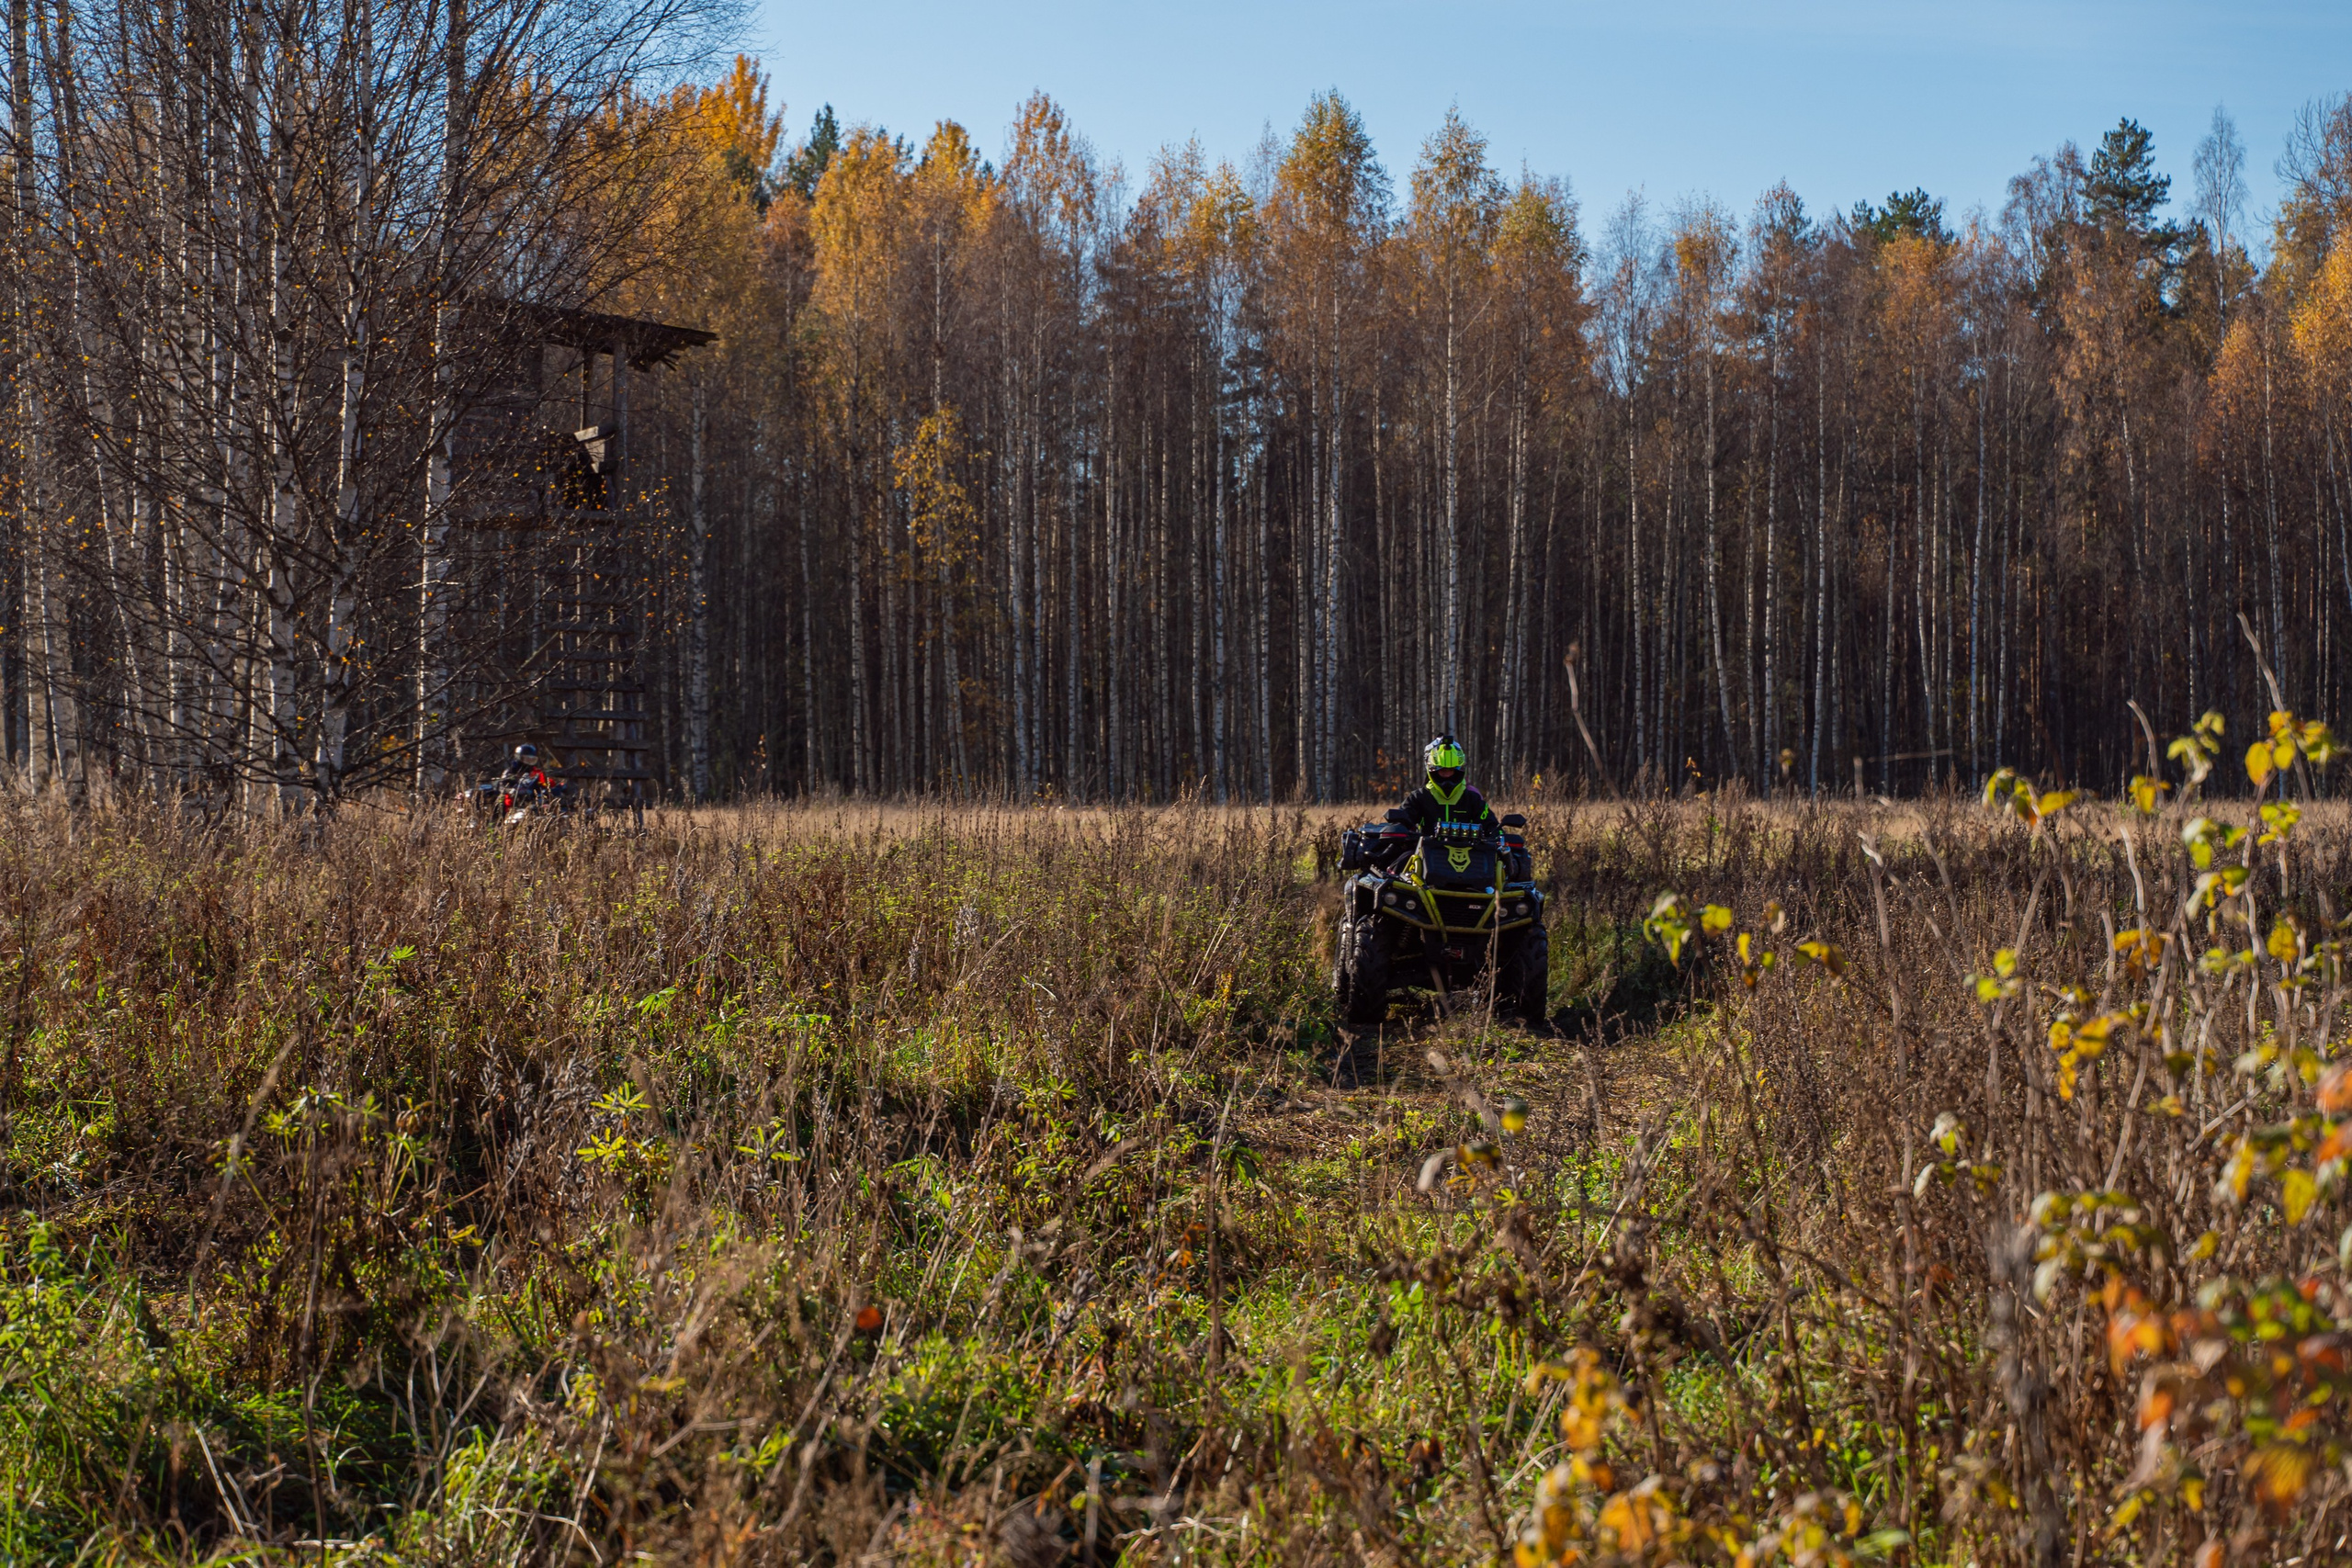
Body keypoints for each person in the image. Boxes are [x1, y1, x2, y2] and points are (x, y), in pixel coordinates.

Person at [1390, 734, 1498, 842]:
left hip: (1470, 856)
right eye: (1443, 771)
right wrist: (1398, 828)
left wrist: (1498, 835)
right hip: (1424, 855)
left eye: (1450, 771)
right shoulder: (1418, 797)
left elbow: (1493, 827)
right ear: (1433, 771)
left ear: (1458, 771)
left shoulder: (1472, 799)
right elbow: (1400, 823)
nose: (1447, 776)